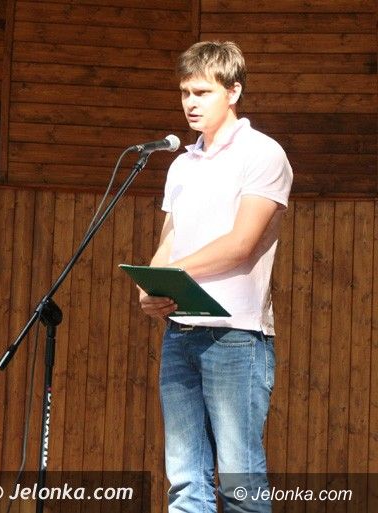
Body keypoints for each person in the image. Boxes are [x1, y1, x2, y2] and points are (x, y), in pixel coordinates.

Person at [139, 41, 293, 513]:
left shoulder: (263, 153)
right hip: (180, 332)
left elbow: (241, 243)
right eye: (185, 92)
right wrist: (151, 286)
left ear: (234, 91)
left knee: (240, 484)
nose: (190, 102)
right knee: (186, 484)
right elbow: (170, 240)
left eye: (202, 92)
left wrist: (172, 271)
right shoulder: (180, 163)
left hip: (236, 336)